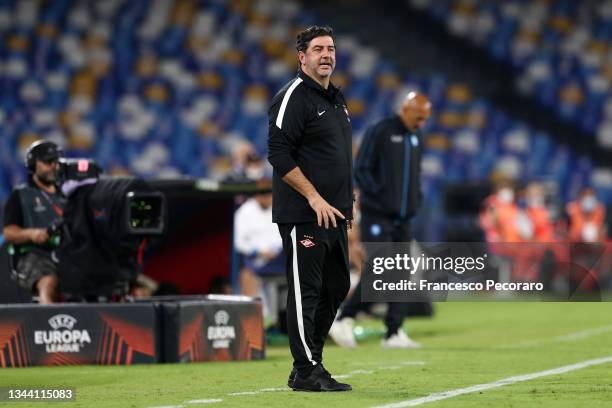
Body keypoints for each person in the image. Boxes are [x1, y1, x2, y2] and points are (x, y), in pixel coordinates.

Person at [267, 25, 353, 392]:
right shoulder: (293, 96)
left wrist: (348, 196)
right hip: (304, 213)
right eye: (318, 49)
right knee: (307, 291)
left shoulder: (335, 98)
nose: (326, 54)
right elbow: (278, 153)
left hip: (335, 213)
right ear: (301, 56)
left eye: (331, 48)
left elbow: (334, 156)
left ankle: (310, 360)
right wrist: (314, 197)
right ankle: (306, 369)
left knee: (338, 285)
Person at [329, 92, 432, 349]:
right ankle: (345, 317)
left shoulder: (416, 137)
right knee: (380, 268)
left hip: (403, 217)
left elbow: (416, 174)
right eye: (418, 118)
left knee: (401, 271)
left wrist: (414, 200)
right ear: (405, 110)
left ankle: (394, 332)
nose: (421, 123)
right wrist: (381, 198)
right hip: (379, 215)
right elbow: (361, 169)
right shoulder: (381, 131)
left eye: (425, 119)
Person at [3, 140, 65, 304]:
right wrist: (32, 234)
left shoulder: (66, 196)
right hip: (32, 254)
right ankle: (50, 321)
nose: (54, 166)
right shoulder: (21, 195)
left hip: (64, 253)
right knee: (48, 280)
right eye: (48, 162)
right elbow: (9, 233)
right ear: (33, 164)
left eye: (56, 162)